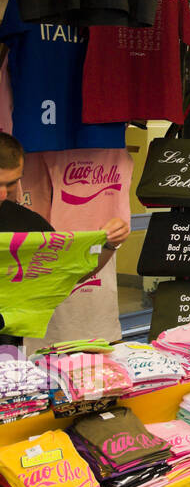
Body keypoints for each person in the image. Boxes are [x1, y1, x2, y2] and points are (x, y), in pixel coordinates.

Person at [0, 133, 129, 343]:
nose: (3, 194)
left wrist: (109, 245)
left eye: (12, 184)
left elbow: (70, 273)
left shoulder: (26, 223)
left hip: (7, 355)